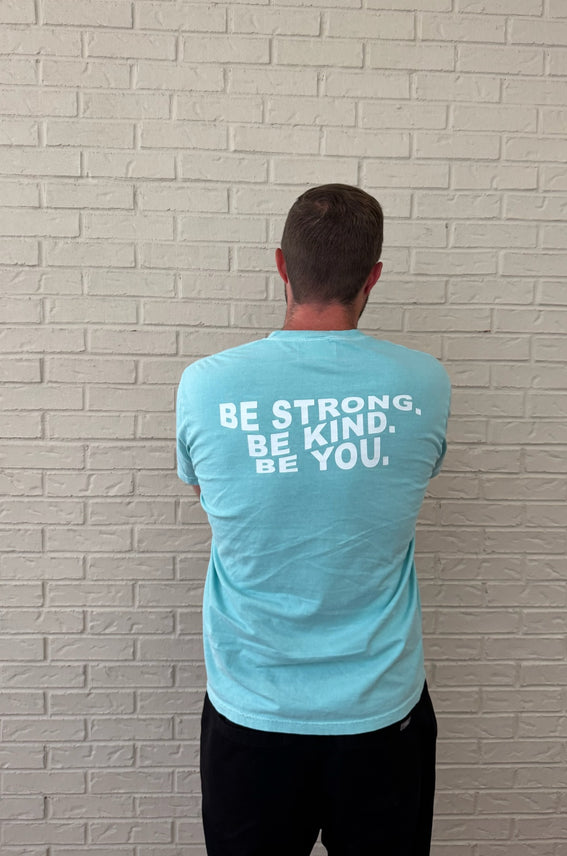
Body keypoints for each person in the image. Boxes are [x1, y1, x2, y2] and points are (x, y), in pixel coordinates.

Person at [175, 184, 451, 856]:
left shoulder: (207, 383)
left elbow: (207, 494)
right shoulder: (424, 382)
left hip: (253, 714)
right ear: (374, 277)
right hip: (382, 717)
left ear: (281, 266)